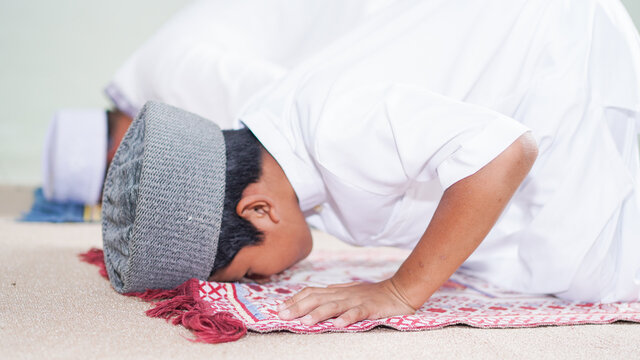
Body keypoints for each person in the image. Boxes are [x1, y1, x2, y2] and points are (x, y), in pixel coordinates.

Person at [102, 0, 640, 329]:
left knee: (595, 270)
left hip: (564, 55)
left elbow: (505, 152)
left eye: (251, 272)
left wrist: (401, 290)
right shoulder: (273, 125)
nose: (271, 280)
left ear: (259, 210)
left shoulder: (338, 127)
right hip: (531, 54)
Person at [42, 0, 399, 205]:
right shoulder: (150, 82)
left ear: (111, 153)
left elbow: (296, 100)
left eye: (113, 179)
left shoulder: (174, 80)